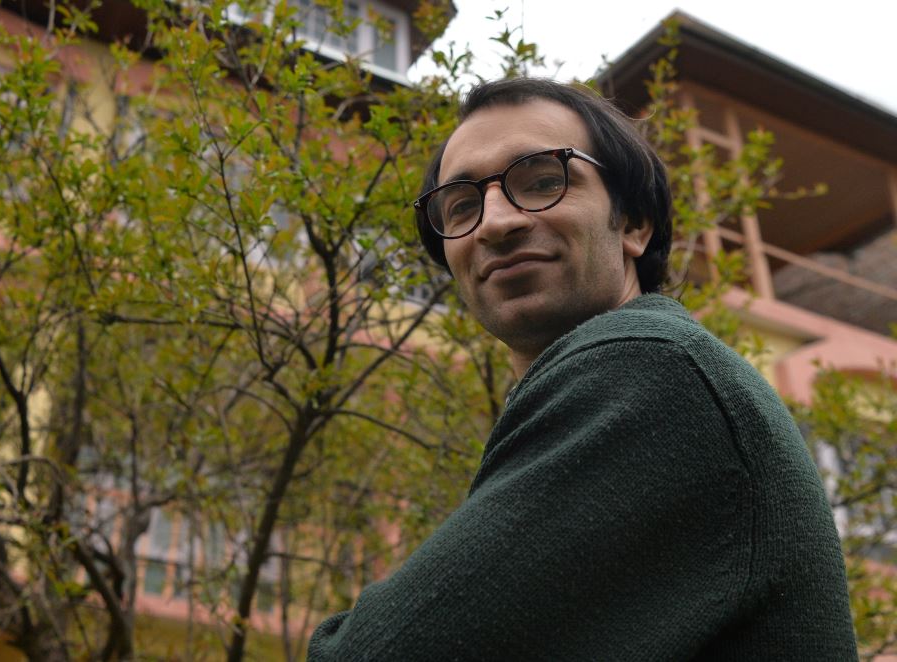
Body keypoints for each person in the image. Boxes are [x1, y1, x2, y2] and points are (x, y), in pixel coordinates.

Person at [306, 78, 857, 661]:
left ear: (635, 223)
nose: (495, 222)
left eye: (543, 181)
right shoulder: (629, 375)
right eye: (462, 205)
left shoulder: (651, 369)